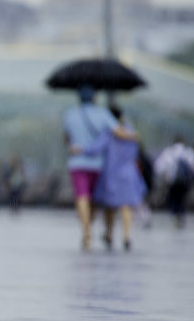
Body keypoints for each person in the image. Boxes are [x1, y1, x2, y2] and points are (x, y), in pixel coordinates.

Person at [75, 105, 145, 251]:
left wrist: (80, 149)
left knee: (110, 205)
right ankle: (126, 237)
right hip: (129, 172)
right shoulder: (131, 132)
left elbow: (95, 148)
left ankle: (109, 234)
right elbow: (137, 151)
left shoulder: (109, 133)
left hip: (112, 173)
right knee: (126, 206)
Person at [62, 85, 117, 250]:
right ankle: (89, 228)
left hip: (77, 163)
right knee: (93, 199)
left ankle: (86, 232)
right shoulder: (103, 114)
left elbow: (66, 138)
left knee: (81, 197)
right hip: (98, 164)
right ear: (94, 98)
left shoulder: (70, 114)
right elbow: (116, 131)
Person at [153, 135, 194, 228]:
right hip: (185, 181)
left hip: (172, 181)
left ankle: (175, 215)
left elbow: (159, 166)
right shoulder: (188, 152)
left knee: (174, 199)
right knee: (181, 199)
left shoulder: (169, 152)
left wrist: (164, 176)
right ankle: (181, 215)